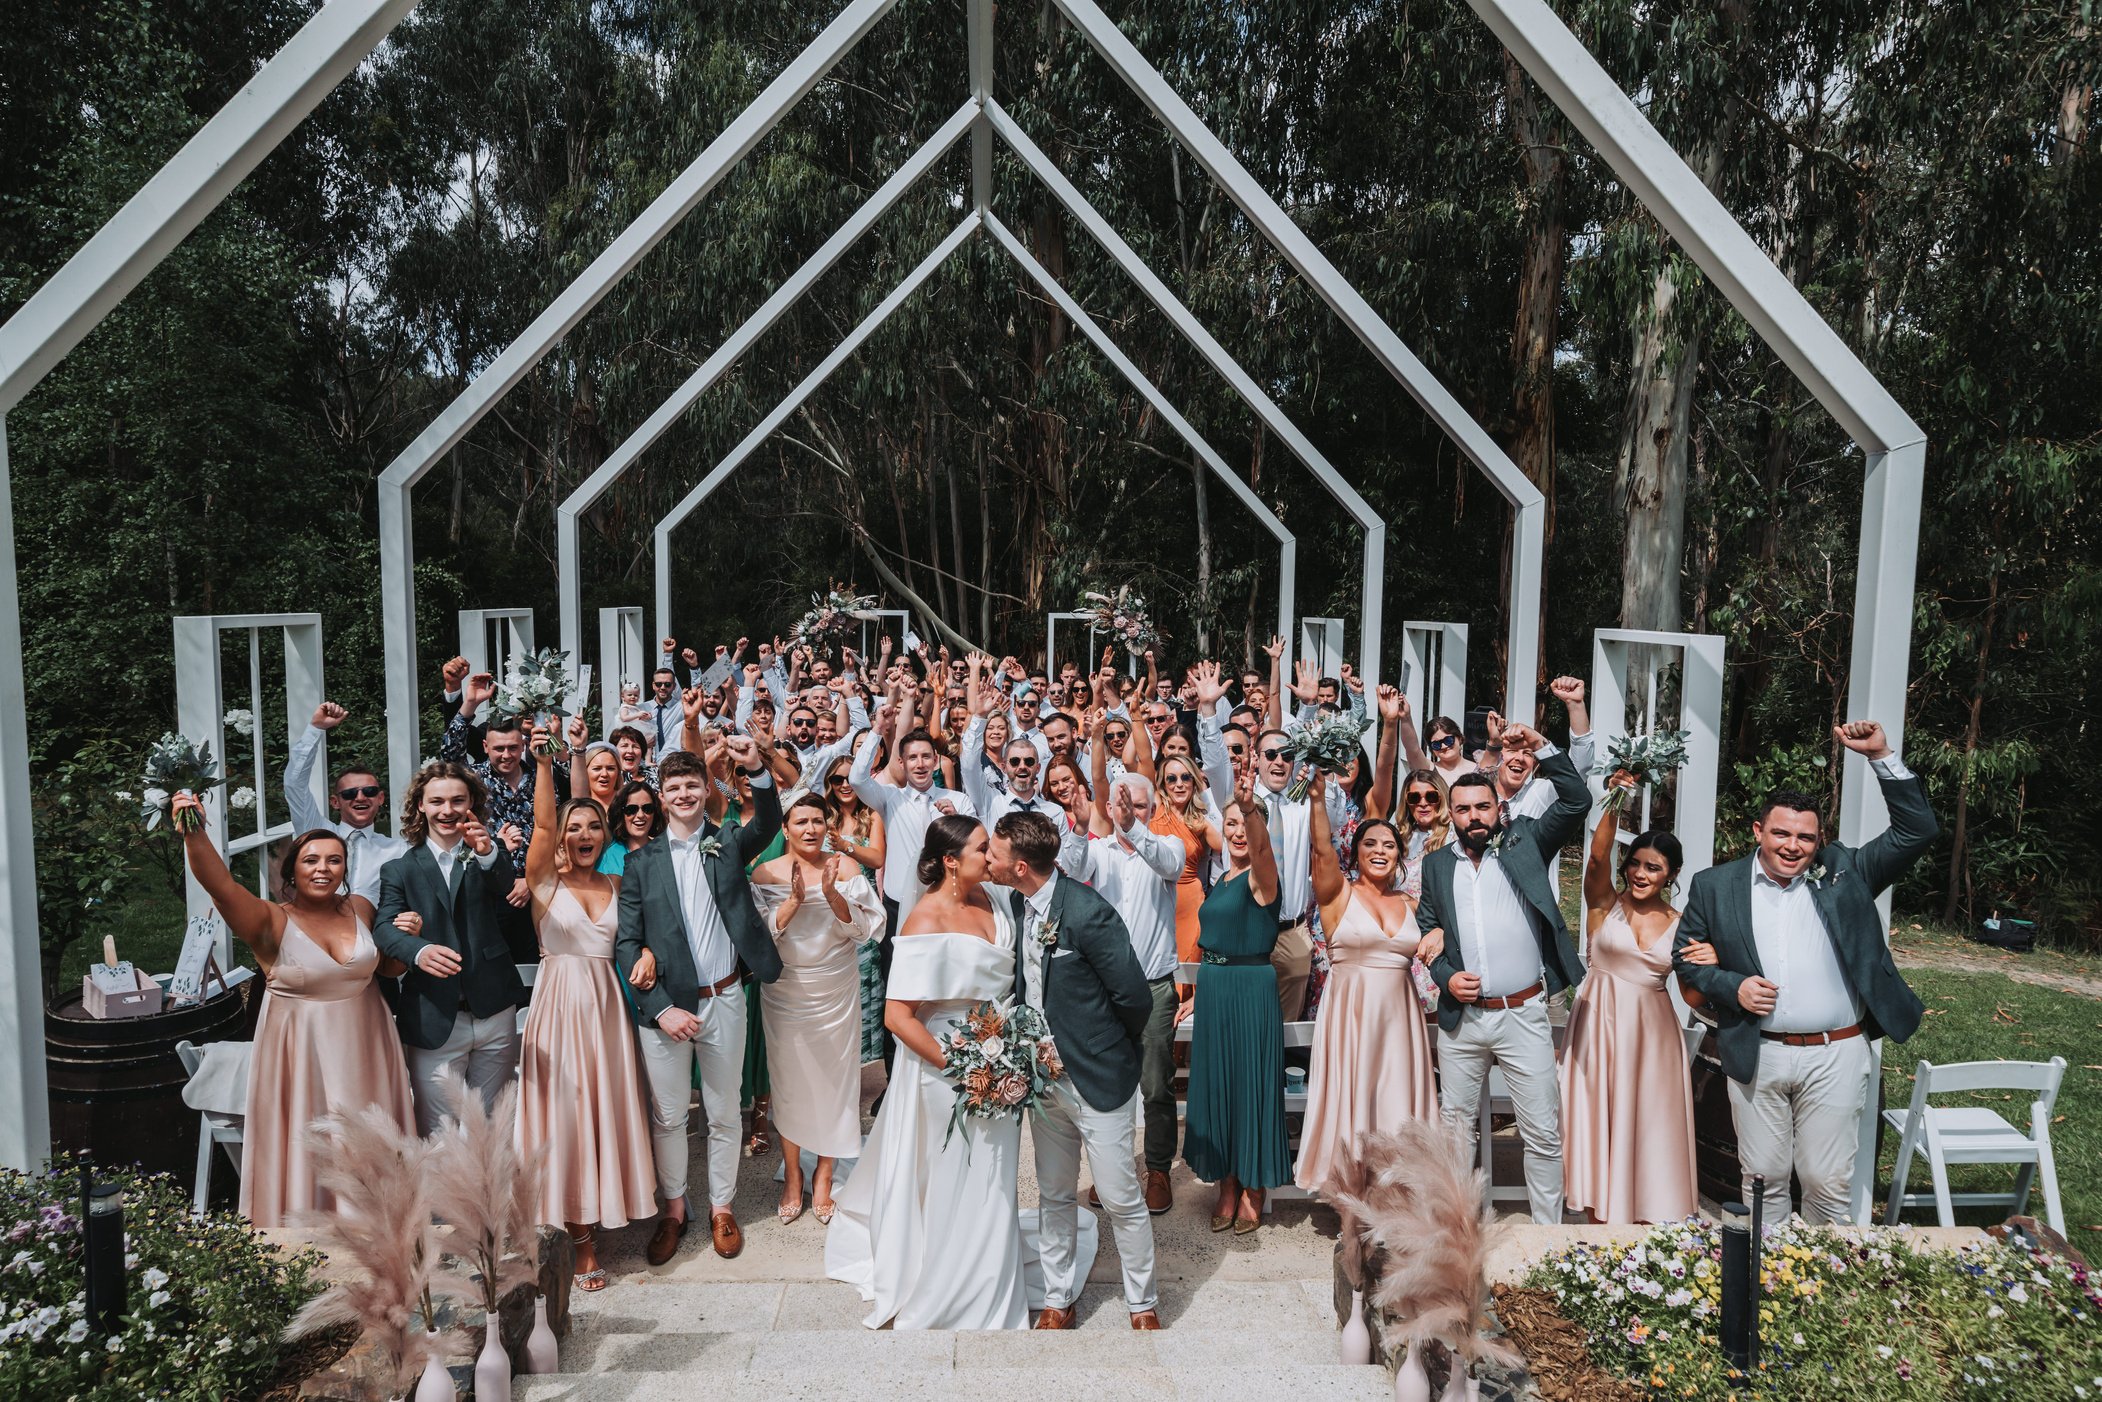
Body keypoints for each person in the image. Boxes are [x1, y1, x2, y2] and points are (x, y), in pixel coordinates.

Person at [1673, 720, 1938, 1225]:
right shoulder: (1715, 885)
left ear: (1819, 841)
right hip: (1757, 1050)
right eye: (1781, 833)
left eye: (1805, 837)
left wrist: (1881, 756)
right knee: (1763, 1177)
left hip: (1835, 1053)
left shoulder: (1847, 872)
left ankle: (1829, 1273)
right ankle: (1766, 1270)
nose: (1793, 846)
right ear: (1758, 832)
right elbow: (1685, 957)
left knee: (1826, 1179)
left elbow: (1918, 831)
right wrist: (1732, 986)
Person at [824, 816, 1033, 1330]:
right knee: (953, 1173)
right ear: (951, 861)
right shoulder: (923, 920)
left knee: (994, 1174)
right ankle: (947, 1281)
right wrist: (963, 1066)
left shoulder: (997, 899)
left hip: (1002, 1054)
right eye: (983, 848)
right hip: (946, 1066)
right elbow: (898, 1017)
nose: (992, 855)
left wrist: (1007, 1051)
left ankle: (990, 1272)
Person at [172, 797, 414, 1226]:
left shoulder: (361, 907)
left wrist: (406, 937)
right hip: (302, 1055)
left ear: (345, 869)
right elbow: (221, 886)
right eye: (311, 860)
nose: (324, 869)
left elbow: (389, 968)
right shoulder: (270, 921)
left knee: (369, 1138)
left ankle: (381, 1237)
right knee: (310, 1139)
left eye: (334, 860)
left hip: (367, 1048)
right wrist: (194, 832)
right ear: (292, 872)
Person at [987, 810, 1160, 1330]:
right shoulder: (1018, 905)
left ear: (1020, 866)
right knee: (1054, 1193)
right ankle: (1058, 1299)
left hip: (1097, 1078)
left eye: (994, 853)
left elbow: (1134, 997)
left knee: (1120, 1198)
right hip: (1043, 1082)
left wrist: (1103, 1048)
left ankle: (1143, 1304)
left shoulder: (1088, 912)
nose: (988, 860)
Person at [613, 733, 782, 1266]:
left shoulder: (727, 841)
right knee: (668, 1116)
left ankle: (722, 1208)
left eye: (692, 785)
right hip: (666, 1009)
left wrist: (756, 770)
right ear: (661, 797)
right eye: (674, 788)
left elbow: (768, 824)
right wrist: (661, 1008)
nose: (684, 794)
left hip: (724, 998)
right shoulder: (641, 862)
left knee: (724, 1112)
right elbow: (626, 941)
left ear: (706, 789)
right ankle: (673, 1209)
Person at [1417, 723, 1588, 1225]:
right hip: (1463, 1019)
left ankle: (1547, 1238)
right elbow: (1427, 927)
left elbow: (1576, 801)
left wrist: (1542, 747)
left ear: (1498, 808)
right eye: (1463, 809)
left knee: (1541, 1132)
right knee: (1455, 1134)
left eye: (1483, 807)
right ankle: (1455, 1235)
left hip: (1523, 1013)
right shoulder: (1436, 866)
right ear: (1451, 814)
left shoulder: (1526, 841)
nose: (1474, 817)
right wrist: (1445, 975)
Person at [516, 746, 655, 1291]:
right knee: (567, 1115)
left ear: (605, 833)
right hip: (560, 1007)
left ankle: (608, 1204)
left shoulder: (618, 885)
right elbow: (541, 825)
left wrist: (647, 952)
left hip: (608, 1007)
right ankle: (578, 1238)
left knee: (606, 1108)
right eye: (573, 828)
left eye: (593, 826)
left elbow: (640, 934)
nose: (583, 834)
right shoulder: (544, 884)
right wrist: (543, 765)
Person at [1560, 776, 1699, 1225]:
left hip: (1652, 1037)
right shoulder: (1605, 903)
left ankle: (1647, 1218)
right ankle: (1599, 1218)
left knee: (1648, 1124)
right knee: (1598, 1119)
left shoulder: (1683, 923)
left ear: (1672, 874)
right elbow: (1597, 857)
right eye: (1635, 864)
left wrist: (1712, 960)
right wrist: (1616, 798)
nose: (1640, 874)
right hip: (1598, 1026)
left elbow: (1693, 993)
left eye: (1653, 868)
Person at [1293, 776, 1436, 1197]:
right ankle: (1352, 1198)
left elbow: (1443, 928)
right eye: (1370, 844)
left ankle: (1400, 1194)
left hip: (1400, 1022)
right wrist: (1317, 800)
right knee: (1353, 1102)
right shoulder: (1338, 895)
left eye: (1389, 845)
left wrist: (1440, 932)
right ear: (1355, 853)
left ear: (1400, 855)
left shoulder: (1411, 903)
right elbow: (1321, 849)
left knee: (1397, 1102)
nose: (1379, 851)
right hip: (1351, 1016)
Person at [372, 762, 529, 1136]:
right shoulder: (399, 870)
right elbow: (383, 928)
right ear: (421, 806)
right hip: (434, 1015)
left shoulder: (488, 855)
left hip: (493, 1009)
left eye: (458, 800)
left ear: (471, 803)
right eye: (437, 801)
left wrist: (488, 851)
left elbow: (506, 888)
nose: (447, 810)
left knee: (490, 1128)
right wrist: (418, 950)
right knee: (440, 1132)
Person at [751, 797, 884, 1225]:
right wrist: (792, 901)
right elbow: (756, 937)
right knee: (789, 1083)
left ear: (827, 827)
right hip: (785, 990)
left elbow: (867, 930)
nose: (810, 829)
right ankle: (793, 1175)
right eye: (800, 821)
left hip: (835, 988)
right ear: (785, 828)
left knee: (835, 1082)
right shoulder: (765, 873)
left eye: (817, 821)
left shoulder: (846, 869)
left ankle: (824, 1174)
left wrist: (830, 895)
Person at [1194, 658, 1340, 1022]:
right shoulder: (1238, 797)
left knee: (1285, 1033)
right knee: (1239, 1023)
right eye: (1270, 754)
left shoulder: (1304, 804)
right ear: (1256, 758)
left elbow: (1334, 823)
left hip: (1291, 936)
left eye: (1287, 756)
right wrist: (1208, 709)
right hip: (1242, 932)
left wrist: (1310, 709)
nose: (1279, 762)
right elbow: (1215, 764)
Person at [1067, 771, 1184, 1220]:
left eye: (1137, 805)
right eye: (1122, 805)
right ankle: (1111, 1171)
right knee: (1108, 1085)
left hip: (1154, 985)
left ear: (1151, 809)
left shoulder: (1167, 846)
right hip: (1107, 989)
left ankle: (1158, 1170)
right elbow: (1073, 869)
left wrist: (1133, 828)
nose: (1128, 812)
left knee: (1155, 1084)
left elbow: (1169, 865)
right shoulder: (1099, 850)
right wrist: (1081, 828)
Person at [1180, 770, 1291, 1235]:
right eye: (1230, 824)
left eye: (1246, 824)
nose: (1238, 832)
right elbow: (1214, 941)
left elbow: (1262, 852)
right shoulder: (1222, 878)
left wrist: (1248, 807)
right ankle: (1226, 1181)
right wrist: (1200, 993)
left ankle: (1253, 1184)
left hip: (1251, 988)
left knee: (1249, 1084)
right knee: (1218, 1085)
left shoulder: (1262, 877)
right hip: (1216, 988)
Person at [441, 676, 564, 964]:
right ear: (485, 746)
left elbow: (558, 825)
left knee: (540, 966)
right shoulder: (473, 778)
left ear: (523, 745)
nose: (506, 755)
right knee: (493, 968)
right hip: (490, 891)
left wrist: (529, 881)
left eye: (512, 748)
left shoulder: (543, 777)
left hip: (540, 890)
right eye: (499, 749)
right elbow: (450, 751)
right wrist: (469, 704)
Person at [283, 701, 407, 904]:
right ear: (335, 802)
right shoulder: (315, 832)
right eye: (349, 793)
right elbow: (294, 784)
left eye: (369, 791)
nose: (360, 797)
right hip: (318, 921)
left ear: (380, 798)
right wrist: (316, 728)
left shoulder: (398, 850)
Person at [1396, 768, 1452, 899]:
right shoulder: (1399, 836)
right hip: (1400, 909)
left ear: (1442, 798)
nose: (1423, 803)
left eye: (1431, 796)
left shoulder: (1454, 836)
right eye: (1414, 798)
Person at [597, 777, 662, 877]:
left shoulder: (665, 851)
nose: (640, 815)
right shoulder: (605, 855)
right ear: (620, 813)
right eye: (631, 809)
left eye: (647, 808)